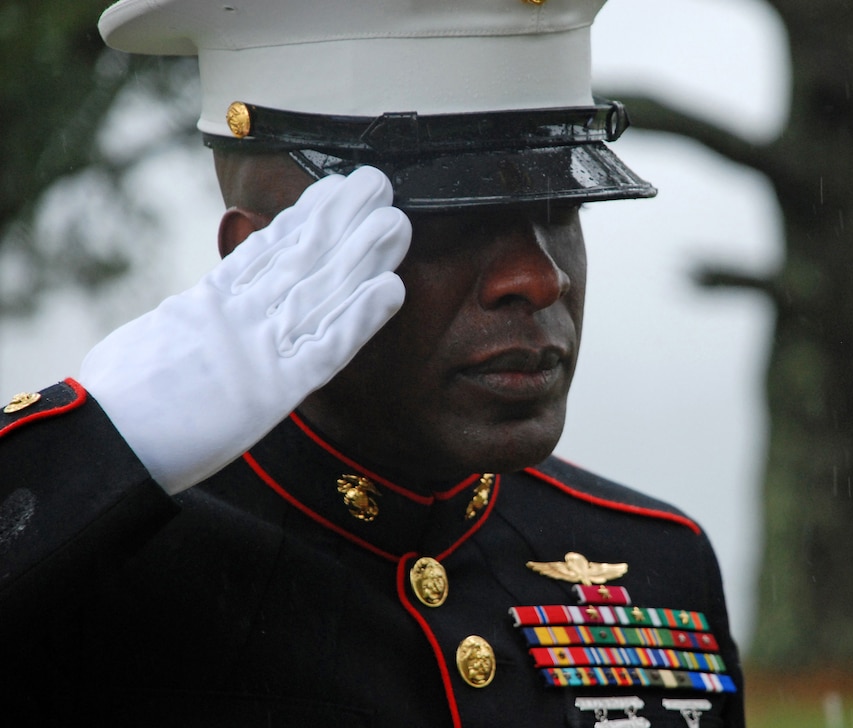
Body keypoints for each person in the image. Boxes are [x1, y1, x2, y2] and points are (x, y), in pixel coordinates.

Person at [1, 0, 745, 725]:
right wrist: (86, 453)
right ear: (255, 255)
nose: (540, 278)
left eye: (561, 211)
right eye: (455, 218)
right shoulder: (95, 578)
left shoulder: (655, 561)